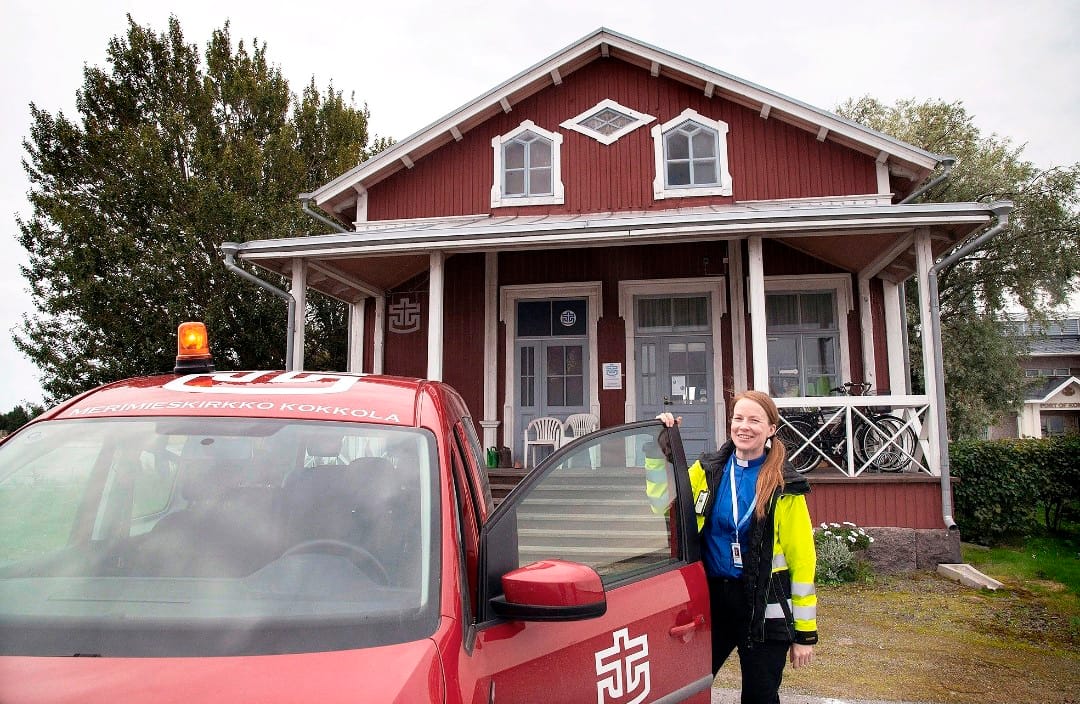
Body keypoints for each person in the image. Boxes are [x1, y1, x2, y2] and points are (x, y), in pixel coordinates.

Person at [653, 390, 816, 704]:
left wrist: (804, 633)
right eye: (738, 418)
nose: (744, 426)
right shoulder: (710, 470)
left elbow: (803, 560)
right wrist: (660, 450)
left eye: (755, 420)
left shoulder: (785, 485)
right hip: (713, 601)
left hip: (765, 608)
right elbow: (663, 503)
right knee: (684, 685)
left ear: (770, 428)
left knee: (759, 696)